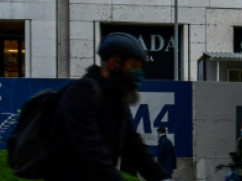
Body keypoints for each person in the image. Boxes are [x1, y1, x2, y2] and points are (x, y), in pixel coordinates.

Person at [45, 32, 171, 181]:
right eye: (133, 66)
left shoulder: (117, 100)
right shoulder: (82, 93)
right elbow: (91, 151)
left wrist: (162, 178)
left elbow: (135, 147)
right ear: (113, 64)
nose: (138, 73)